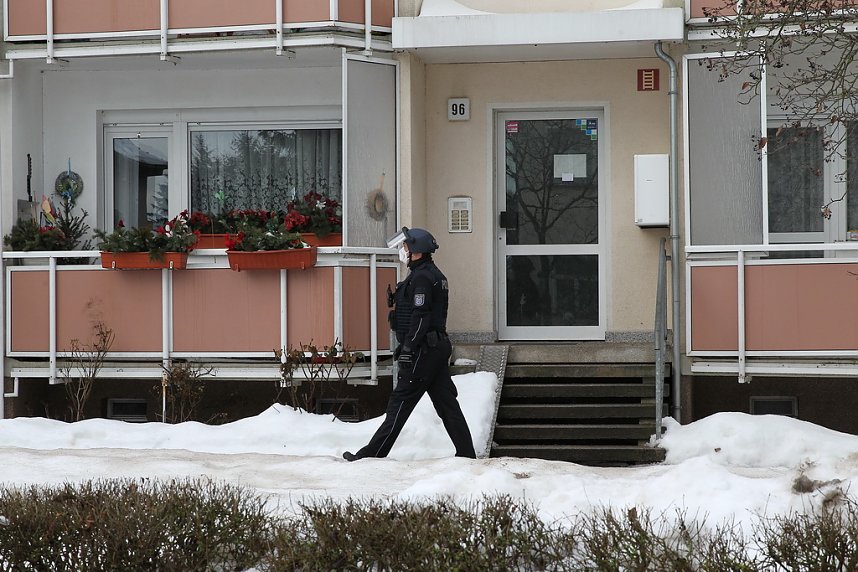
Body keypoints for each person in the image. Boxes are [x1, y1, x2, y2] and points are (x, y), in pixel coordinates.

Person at [343, 227, 477, 461]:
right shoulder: (429, 274)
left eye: (406, 247)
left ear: (417, 250)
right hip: (433, 349)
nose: (403, 251)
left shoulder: (424, 277)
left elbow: (421, 316)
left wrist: (408, 349)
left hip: (423, 352)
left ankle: (371, 454)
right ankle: (466, 454)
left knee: (400, 403)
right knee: (447, 405)